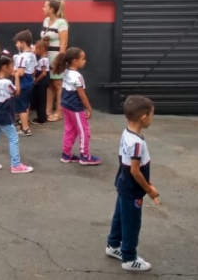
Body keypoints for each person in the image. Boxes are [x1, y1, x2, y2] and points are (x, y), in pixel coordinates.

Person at [106, 95, 158, 272]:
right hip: (132, 189)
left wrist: (148, 181)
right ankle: (129, 257)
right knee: (132, 223)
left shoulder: (127, 133)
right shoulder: (137, 143)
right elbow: (135, 170)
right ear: (144, 117)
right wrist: (149, 190)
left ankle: (113, 244)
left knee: (120, 216)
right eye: (151, 115)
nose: (152, 119)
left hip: (123, 184)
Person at [0, 54, 34, 174]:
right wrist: (17, 77)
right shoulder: (6, 83)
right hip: (4, 114)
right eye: (11, 66)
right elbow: (17, 92)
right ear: (4, 67)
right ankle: (16, 165)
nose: (13, 68)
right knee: (13, 138)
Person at [52, 47, 101, 165]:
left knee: (70, 130)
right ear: (75, 61)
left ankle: (66, 154)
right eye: (83, 59)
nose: (85, 61)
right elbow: (82, 95)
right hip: (75, 109)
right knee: (84, 131)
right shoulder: (78, 76)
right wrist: (89, 108)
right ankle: (85, 156)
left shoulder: (67, 72)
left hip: (65, 106)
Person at [40, 0, 68, 122]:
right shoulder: (46, 21)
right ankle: (48, 111)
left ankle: (59, 112)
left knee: (58, 84)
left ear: (51, 9)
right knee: (49, 84)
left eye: (45, 7)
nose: (43, 8)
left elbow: (64, 43)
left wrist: (59, 59)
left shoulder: (62, 23)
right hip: (46, 57)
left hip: (56, 56)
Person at [14, 30, 37, 136]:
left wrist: (12, 72)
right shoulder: (32, 55)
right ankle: (24, 123)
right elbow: (34, 69)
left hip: (23, 82)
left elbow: (21, 73)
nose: (16, 45)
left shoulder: (22, 57)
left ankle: (25, 129)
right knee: (26, 104)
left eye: (17, 43)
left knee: (22, 106)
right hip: (30, 81)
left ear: (23, 43)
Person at [31, 39, 50, 125]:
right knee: (41, 100)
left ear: (41, 49)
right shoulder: (44, 59)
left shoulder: (43, 60)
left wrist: (36, 80)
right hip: (43, 82)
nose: (36, 51)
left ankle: (42, 119)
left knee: (41, 100)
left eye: (37, 49)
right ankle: (42, 117)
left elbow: (43, 73)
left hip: (42, 82)